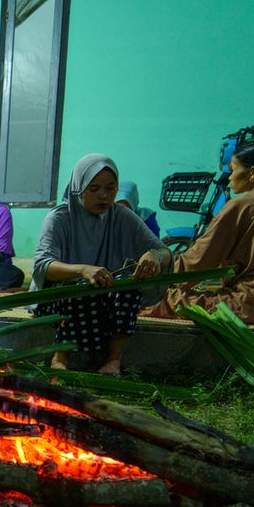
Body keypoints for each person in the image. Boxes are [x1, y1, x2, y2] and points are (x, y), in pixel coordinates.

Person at [31, 154, 170, 376]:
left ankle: (113, 361)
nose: (103, 196)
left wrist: (154, 256)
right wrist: (82, 270)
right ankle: (60, 356)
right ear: (78, 188)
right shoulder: (59, 219)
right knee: (78, 288)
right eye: (94, 189)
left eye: (110, 188)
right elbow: (42, 266)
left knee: (128, 289)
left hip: (105, 293)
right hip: (58, 297)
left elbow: (164, 251)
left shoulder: (122, 216)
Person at [144, 139, 254, 325]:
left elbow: (200, 261)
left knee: (161, 303)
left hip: (252, 304)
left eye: (233, 169)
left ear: (252, 172)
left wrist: (160, 275)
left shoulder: (242, 205)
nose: (230, 176)